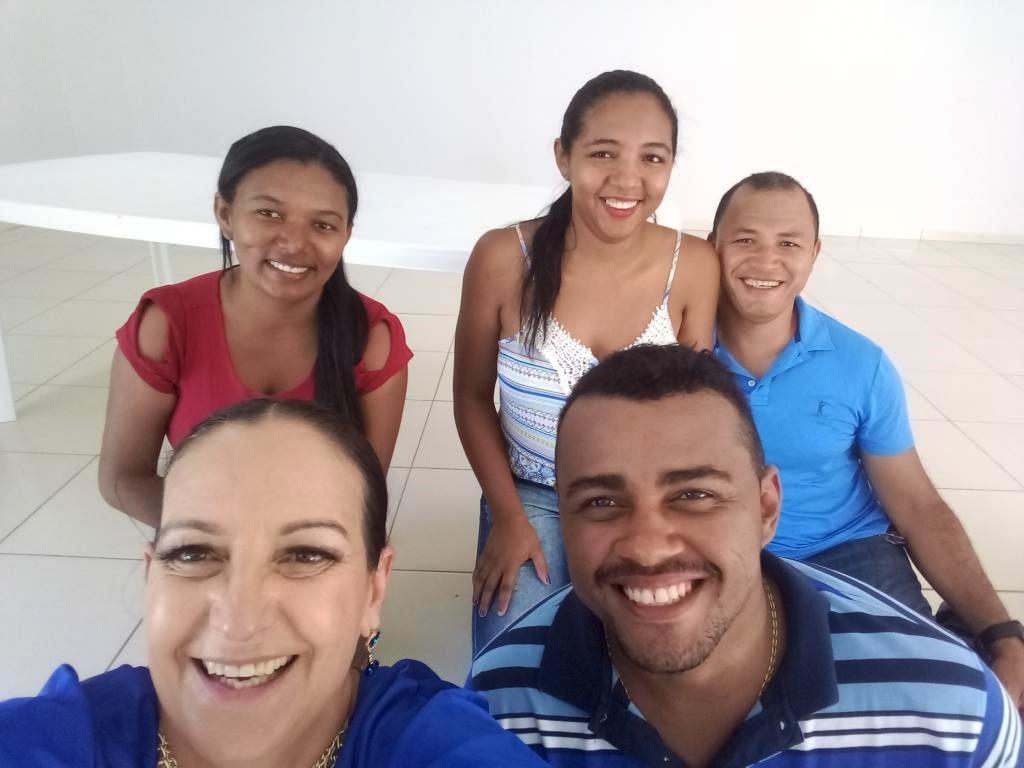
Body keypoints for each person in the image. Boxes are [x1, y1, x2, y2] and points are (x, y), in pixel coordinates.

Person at [470, 345, 1022, 766]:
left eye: (694, 495)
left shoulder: (954, 717)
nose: (647, 546)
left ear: (766, 508)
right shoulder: (498, 705)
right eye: (601, 502)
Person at [0, 399, 547, 768]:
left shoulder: (433, 743)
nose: (239, 621)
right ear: (152, 577)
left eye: (306, 554)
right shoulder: (55, 740)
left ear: (373, 590)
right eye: (192, 553)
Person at [709, 171, 1023, 709]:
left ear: (814, 253)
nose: (766, 261)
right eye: (745, 239)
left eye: (789, 243)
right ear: (711, 245)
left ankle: (955, 634)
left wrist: (1000, 631)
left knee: (922, 699)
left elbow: (917, 504)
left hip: (848, 548)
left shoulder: (861, 364)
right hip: (720, 553)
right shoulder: (674, 352)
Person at [455, 70, 720, 654]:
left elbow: (698, 415)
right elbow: (471, 398)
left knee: (655, 659)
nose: (627, 179)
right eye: (603, 153)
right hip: (533, 490)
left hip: (646, 500)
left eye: (652, 158)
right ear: (564, 156)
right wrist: (508, 516)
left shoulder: (695, 265)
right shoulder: (503, 257)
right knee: (513, 665)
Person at [99, 126, 412, 528]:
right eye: (269, 213)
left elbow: (365, 495)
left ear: (346, 235)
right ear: (225, 214)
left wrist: (292, 548)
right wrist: (220, 537)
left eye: (323, 225)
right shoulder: (167, 324)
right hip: (205, 538)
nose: (294, 243)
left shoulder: (372, 337)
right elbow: (122, 478)